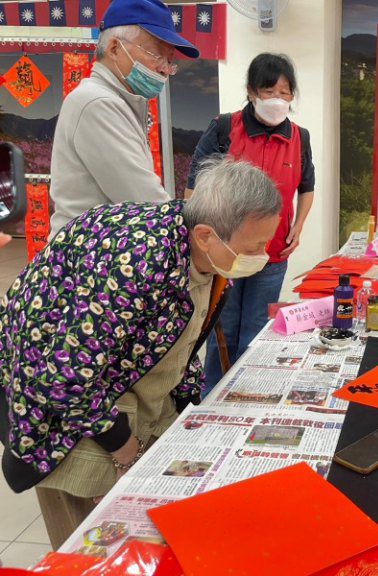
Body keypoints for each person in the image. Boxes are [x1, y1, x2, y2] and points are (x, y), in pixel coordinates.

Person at [0, 157, 281, 549]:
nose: (263, 255)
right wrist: (123, 446)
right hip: (69, 415)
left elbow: (182, 339)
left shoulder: (208, 253)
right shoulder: (137, 259)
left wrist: (192, 408)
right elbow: (62, 378)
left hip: (126, 389)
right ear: (205, 235)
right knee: (95, 549)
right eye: (255, 247)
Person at [185, 53, 315, 391]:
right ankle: (213, 396)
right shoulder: (224, 128)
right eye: (269, 91)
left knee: (257, 329)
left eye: (285, 92)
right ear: (251, 91)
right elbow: (194, 188)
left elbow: (307, 186)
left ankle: (246, 393)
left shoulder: (299, 137)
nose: (277, 100)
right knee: (222, 330)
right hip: (225, 254)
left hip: (272, 254)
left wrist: (298, 226)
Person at [48, 0, 199, 238]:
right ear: (115, 48)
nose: (164, 69)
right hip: (89, 253)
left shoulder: (122, 102)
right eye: (157, 54)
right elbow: (146, 203)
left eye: (170, 61)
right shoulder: (98, 103)